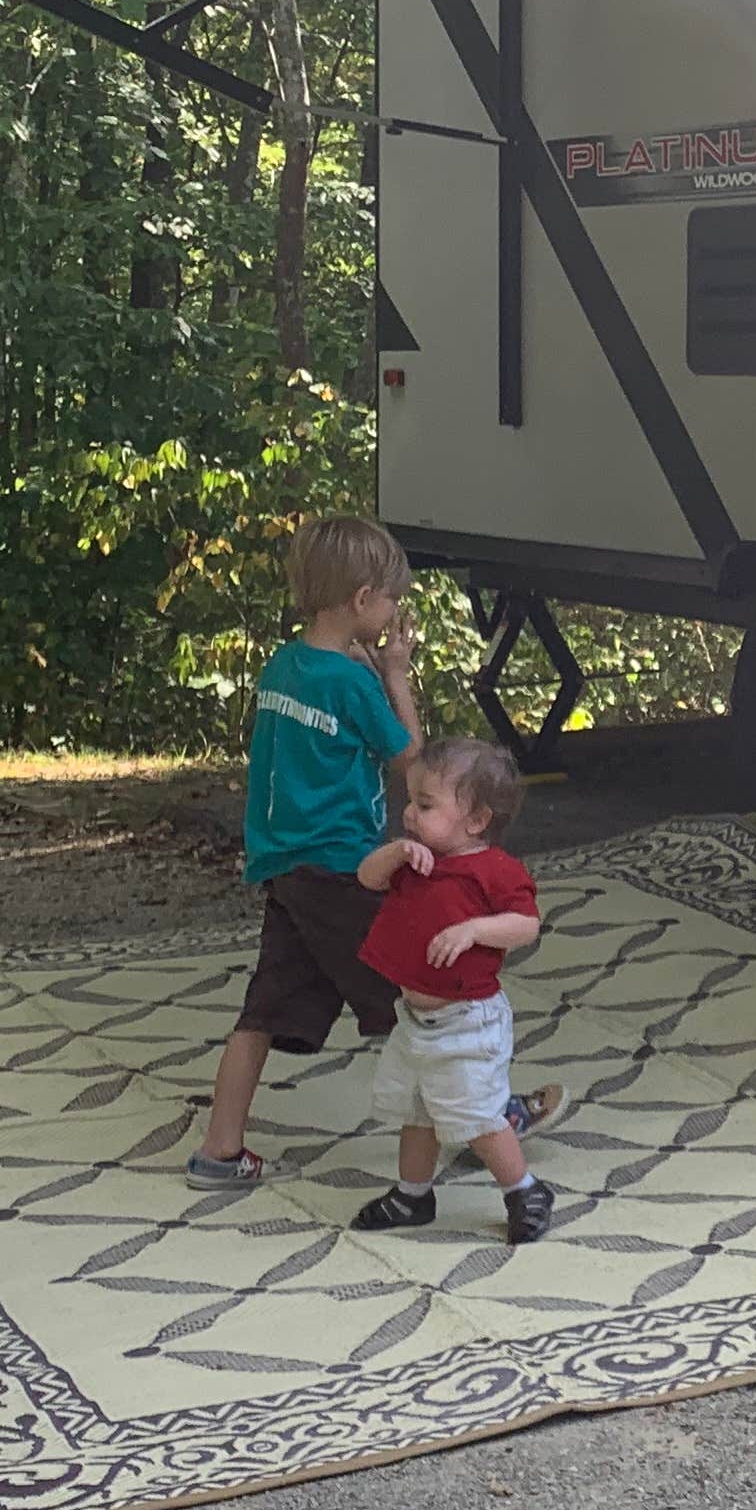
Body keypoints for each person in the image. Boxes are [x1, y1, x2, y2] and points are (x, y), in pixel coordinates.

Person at [187, 516, 423, 1189]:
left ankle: (219, 1150)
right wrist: (397, 676)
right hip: (343, 867)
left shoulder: (284, 665)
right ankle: (487, 1115)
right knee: (425, 993)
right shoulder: (352, 683)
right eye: (392, 600)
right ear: (362, 598)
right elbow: (412, 760)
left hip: (286, 865)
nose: (394, 614)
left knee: (263, 1010)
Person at [344, 736, 562, 1242]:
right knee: (416, 1110)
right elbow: (366, 878)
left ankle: (525, 1190)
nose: (409, 814)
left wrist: (475, 931)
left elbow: (526, 924)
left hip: (468, 1022)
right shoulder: (415, 860)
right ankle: (412, 1195)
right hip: (414, 1021)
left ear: (477, 820)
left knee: (478, 1116)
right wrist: (395, 852)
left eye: (425, 805)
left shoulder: (494, 870)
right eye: (410, 801)